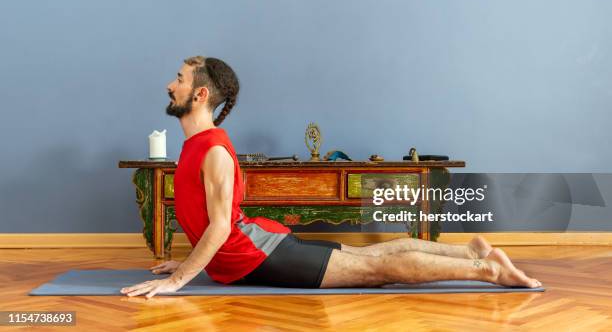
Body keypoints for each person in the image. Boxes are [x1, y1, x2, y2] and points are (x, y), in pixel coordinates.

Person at [121, 56, 542, 299]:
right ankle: (471, 253)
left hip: (258, 255)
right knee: (372, 258)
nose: (169, 85)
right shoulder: (198, 145)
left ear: (199, 94)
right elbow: (211, 224)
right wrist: (192, 260)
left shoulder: (213, 150)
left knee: (378, 269)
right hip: (256, 246)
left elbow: (217, 228)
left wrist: (180, 280)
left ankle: (487, 272)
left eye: (178, 78)